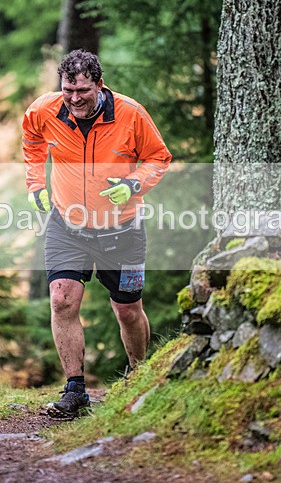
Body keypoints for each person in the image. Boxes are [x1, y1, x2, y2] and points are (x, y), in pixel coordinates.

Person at [22, 49, 172, 418]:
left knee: (127, 310)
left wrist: (134, 185)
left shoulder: (130, 114)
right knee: (61, 300)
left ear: (99, 86)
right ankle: (75, 391)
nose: (74, 99)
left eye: (83, 91)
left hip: (123, 229)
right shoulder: (44, 110)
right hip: (66, 224)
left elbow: (159, 158)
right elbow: (32, 141)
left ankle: (140, 378)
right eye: (68, 90)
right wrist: (35, 184)